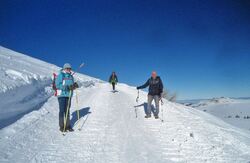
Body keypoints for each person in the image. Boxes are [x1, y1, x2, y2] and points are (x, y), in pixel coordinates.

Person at [56, 63, 79, 132]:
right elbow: (58, 85)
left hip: (69, 95)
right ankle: (62, 126)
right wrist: (67, 87)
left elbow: (71, 87)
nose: (69, 69)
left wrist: (74, 86)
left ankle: (68, 125)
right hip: (62, 95)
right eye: (67, 68)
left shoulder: (71, 77)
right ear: (64, 69)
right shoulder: (61, 75)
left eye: (70, 68)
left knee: (67, 111)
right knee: (62, 110)